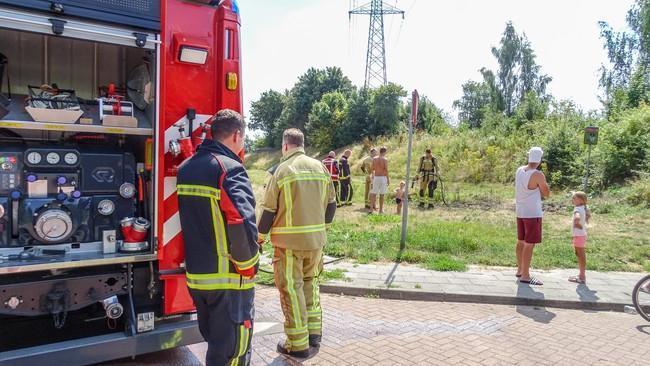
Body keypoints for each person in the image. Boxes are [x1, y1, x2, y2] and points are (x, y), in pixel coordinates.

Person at [176, 109, 260, 366]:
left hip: (199, 279)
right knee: (232, 352)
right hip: (228, 280)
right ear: (237, 135)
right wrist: (248, 265)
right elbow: (240, 219)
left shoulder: (186, 168)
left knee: (215, 345)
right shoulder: (229, 168)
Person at [257, 128, 337, 358]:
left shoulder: (282, 170)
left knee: (292, 291)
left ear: (285, 146)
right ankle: (314, 335)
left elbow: (268, 211)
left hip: (288, 245)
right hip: (315, 243)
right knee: (311, 286)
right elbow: (332, 205)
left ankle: (297, 345)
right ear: (302, 144)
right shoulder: (320, 167)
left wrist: (259, 239)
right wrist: (322, 230)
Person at [515, 147, 550, 286]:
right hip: (532, 213)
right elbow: (546, 192)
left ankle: (520, 269)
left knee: (521, 241)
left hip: (520, 211)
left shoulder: (519, 170)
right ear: (540, 159)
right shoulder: (538, 174)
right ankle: (526, 275)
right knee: (529, 244)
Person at [569, 191, 591, 284]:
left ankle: (582, 277)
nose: (572, 200)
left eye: (574, 198)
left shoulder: (577, 209)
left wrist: (577, 223)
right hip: (581, 235)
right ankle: (581, 275)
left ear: (581, 200)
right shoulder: (582, 208)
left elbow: (577, 217)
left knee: (580, 255)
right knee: (580, 254)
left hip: (579, 235)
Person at [369, 147, 389, 214]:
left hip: (376, 177)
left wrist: (372, 176)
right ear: (385, 152)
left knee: (373, 193)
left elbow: (372, 169)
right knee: (382, 194)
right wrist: (388, 179)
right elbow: (386, 170)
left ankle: (371, 209)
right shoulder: (385, 159)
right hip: (383, 177)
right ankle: (380, 210)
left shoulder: (374, 159)